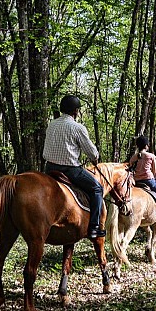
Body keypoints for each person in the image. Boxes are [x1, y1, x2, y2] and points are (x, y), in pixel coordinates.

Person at [43, 94, 105, 240]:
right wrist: (95, 159)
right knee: (97, 189)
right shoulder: (77, 127)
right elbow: (93, 153)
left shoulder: (52, 124)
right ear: (76, 111)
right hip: (70, 170)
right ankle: (94, 228)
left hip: (49, 169)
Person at [130, 135, 156, 219]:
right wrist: (154, 178)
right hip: (148, 180)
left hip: (136, 181)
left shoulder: (134, 157)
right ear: (146, 146)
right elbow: (155, 171)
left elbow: (131, 168)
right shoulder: (151, 156)